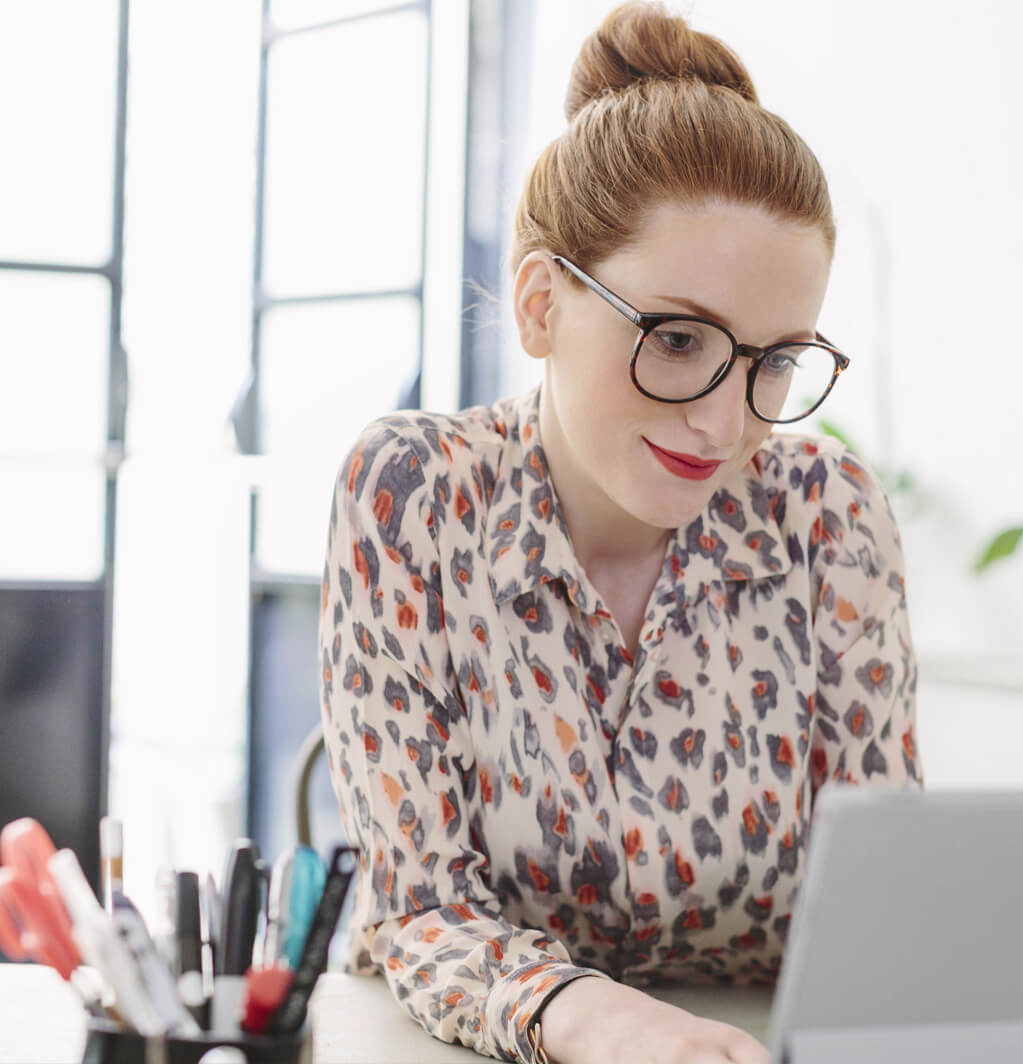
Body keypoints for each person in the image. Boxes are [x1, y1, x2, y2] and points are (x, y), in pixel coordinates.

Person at [317, 4, 923, 1062]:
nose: (726, 423)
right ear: (541, 304)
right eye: (679, 339)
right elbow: (420, 906)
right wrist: (587, 1012)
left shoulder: (829, 513)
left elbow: (880, 902)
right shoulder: (413, 493)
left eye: (775, 361)